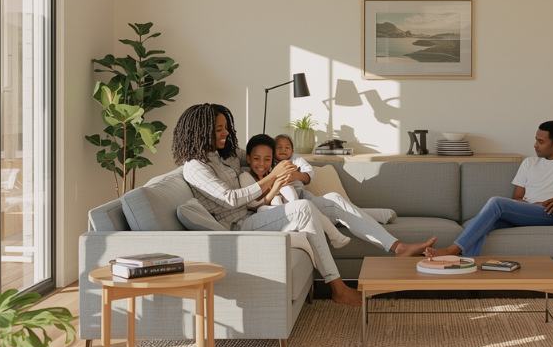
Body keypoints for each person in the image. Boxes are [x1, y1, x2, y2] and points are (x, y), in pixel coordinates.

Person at [172, 103, 362, 306]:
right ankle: (338, 288)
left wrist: (283, 157)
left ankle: (337, 274)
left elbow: (259, 154)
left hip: (254, 214)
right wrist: (272, 176)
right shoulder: (195, 167)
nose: (226, 132)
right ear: (201, 132)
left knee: (308, 206)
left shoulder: (227, 153)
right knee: (304, 209)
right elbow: (230, 198)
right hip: (238, 226)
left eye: (226, 127)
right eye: (219, 129)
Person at [424, 120, 553, 258]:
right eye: (535, 139)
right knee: (477, 226)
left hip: (550, 213)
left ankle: (450, 251)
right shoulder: (529, 163)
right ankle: (470, 275)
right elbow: (517, 196)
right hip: (525, 211)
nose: (535, 145)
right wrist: (523, 206)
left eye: (541, 141)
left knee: (496, 202)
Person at [272, 132, 434, 256]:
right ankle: (394, 240)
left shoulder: (295, 161)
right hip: (293, 208)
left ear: (292, 150)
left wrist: (296, 176)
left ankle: (394, 240)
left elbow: (309, 174)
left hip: (305, 199)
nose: (283, 150)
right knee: (336, 202)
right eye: (278, 148)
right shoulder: (270, 166)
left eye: (287, 147)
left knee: (334, 198)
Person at [239, 133, 350, 248]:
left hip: (284, 204)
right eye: (256, 158)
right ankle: (330, 234)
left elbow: (301, 177)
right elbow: (254, 204)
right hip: (268, 210)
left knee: (291, 194)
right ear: (248, 158)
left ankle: (302, 216)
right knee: (282, 202)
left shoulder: (272, 170)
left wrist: (287, 178)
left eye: (267, 159)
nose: (262, 163)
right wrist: (275, 188)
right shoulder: (246, 177)